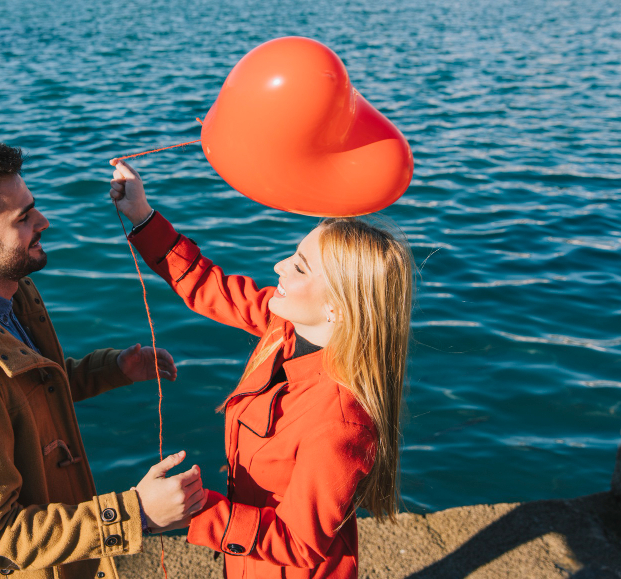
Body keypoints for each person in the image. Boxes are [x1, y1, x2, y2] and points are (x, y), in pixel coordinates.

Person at [0, 142, 206, 579]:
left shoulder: (8, 295)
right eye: (23, 217)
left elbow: (25, 394)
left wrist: (113, 368)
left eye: (33, 208)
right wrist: (136, 513)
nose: (43, 222)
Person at [110, 160, 414, 579]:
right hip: (248, 561)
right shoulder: (284, 321)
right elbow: (208, 286)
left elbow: (301, 544)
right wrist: (143, 216)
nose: (280, 266)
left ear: (337, 307)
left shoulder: (341, 424)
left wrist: (194, 513)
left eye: (300, 266)